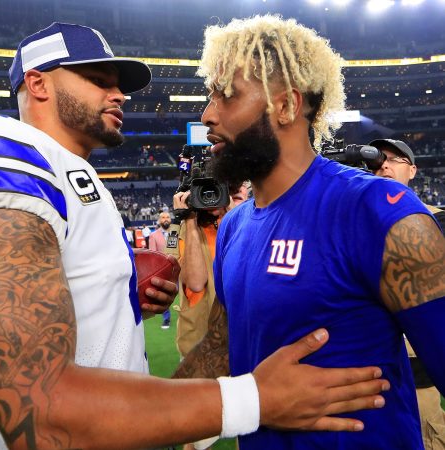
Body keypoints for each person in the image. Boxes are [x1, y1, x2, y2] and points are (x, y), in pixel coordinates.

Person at [0, 22, 390, 450]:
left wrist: (118, 299)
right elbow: (35, 409)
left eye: (118, 85)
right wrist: (255, 398)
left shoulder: (76, 175)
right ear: (37, 84)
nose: (119, 95)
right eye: (97, 80)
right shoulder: (13, 159)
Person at [180, 15, 445, 449]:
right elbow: (220, 346)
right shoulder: (233, 227)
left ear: (286, 106)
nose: (207, 115)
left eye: (226, 95)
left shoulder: (377, 212)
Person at [370, 138, 445, 449]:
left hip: (420, 369)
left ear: (413, 170)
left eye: (395, 159)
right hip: (365, 368)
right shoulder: (350, 219)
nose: (384, 165)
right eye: (377, 160)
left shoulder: (438, 219)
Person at [173, 182, 249, 359]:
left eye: (235, 197)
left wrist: (233, 214)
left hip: (245, 342)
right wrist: (189, 220)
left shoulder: (254, 224)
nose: (218, 198)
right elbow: (196, 283)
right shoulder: (189, 227)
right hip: (199, 346)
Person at [149, 211, 173, 328]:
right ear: (159, 221)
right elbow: (153, 255)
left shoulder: (175, 233)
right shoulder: (153, 236)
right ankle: (166, 319)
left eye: (167, 217)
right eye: (163, 217)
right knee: (164, 296)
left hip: (177, 269)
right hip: (163, 270)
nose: (165, 219)